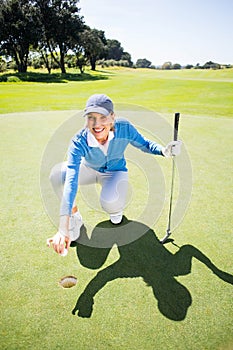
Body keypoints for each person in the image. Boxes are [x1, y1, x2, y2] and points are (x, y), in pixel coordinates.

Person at [47, 94, 182, 255]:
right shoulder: (79, 140)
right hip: (89, 169)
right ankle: (75, 218)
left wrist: (164, 151)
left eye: (102, 117)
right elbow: (71, 181)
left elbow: (144, 144)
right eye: (91, 117)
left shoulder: (124, 128)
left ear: (112, 117)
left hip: (115, 173)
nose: (96, 124)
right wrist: (63, 228)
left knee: (110, 203)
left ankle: (115, 209)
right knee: (57, 175)